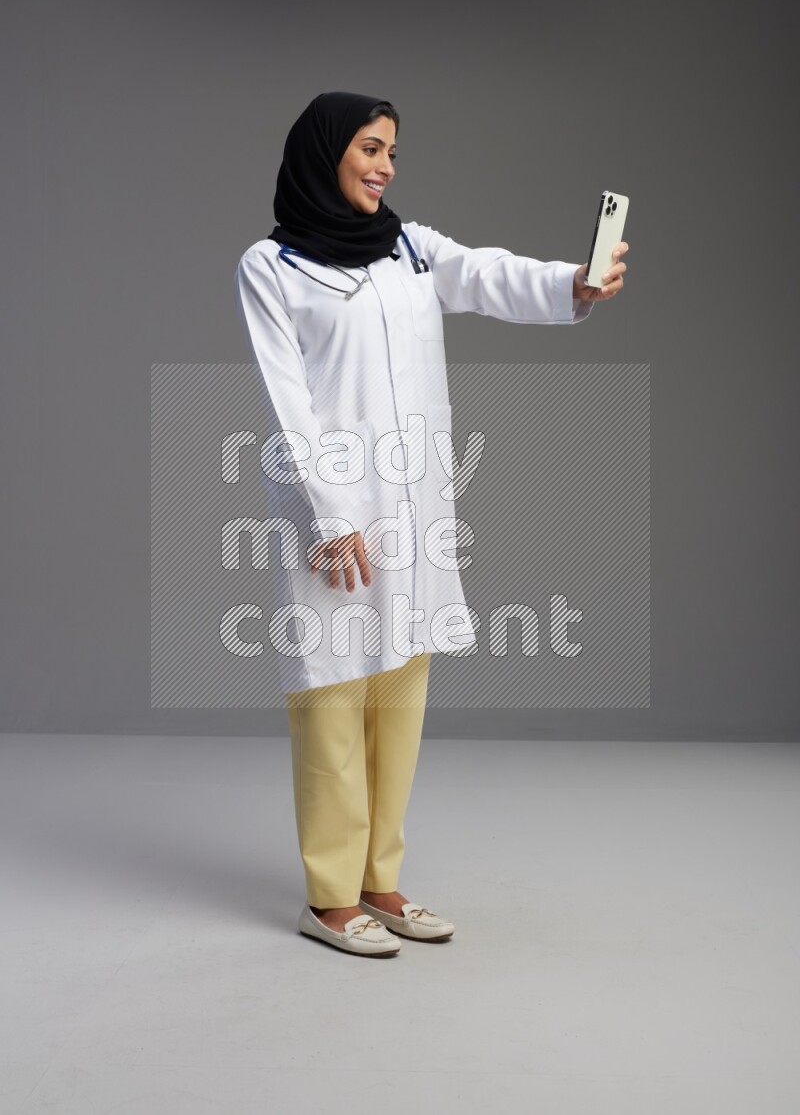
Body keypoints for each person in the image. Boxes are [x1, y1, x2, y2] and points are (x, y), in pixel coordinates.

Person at [234, 91, 628, 957]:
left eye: (394, 153)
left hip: (412, 504)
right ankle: (331, 896)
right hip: (329, 509)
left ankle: (381, 879)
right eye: (370, 148)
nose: (385, 166)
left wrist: (573, 282)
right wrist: (331, 516)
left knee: (399, 691)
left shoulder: (410, 248)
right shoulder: (272, 266)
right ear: (324, 153)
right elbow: (286, 399)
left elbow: (489, 274)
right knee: (334, 694)